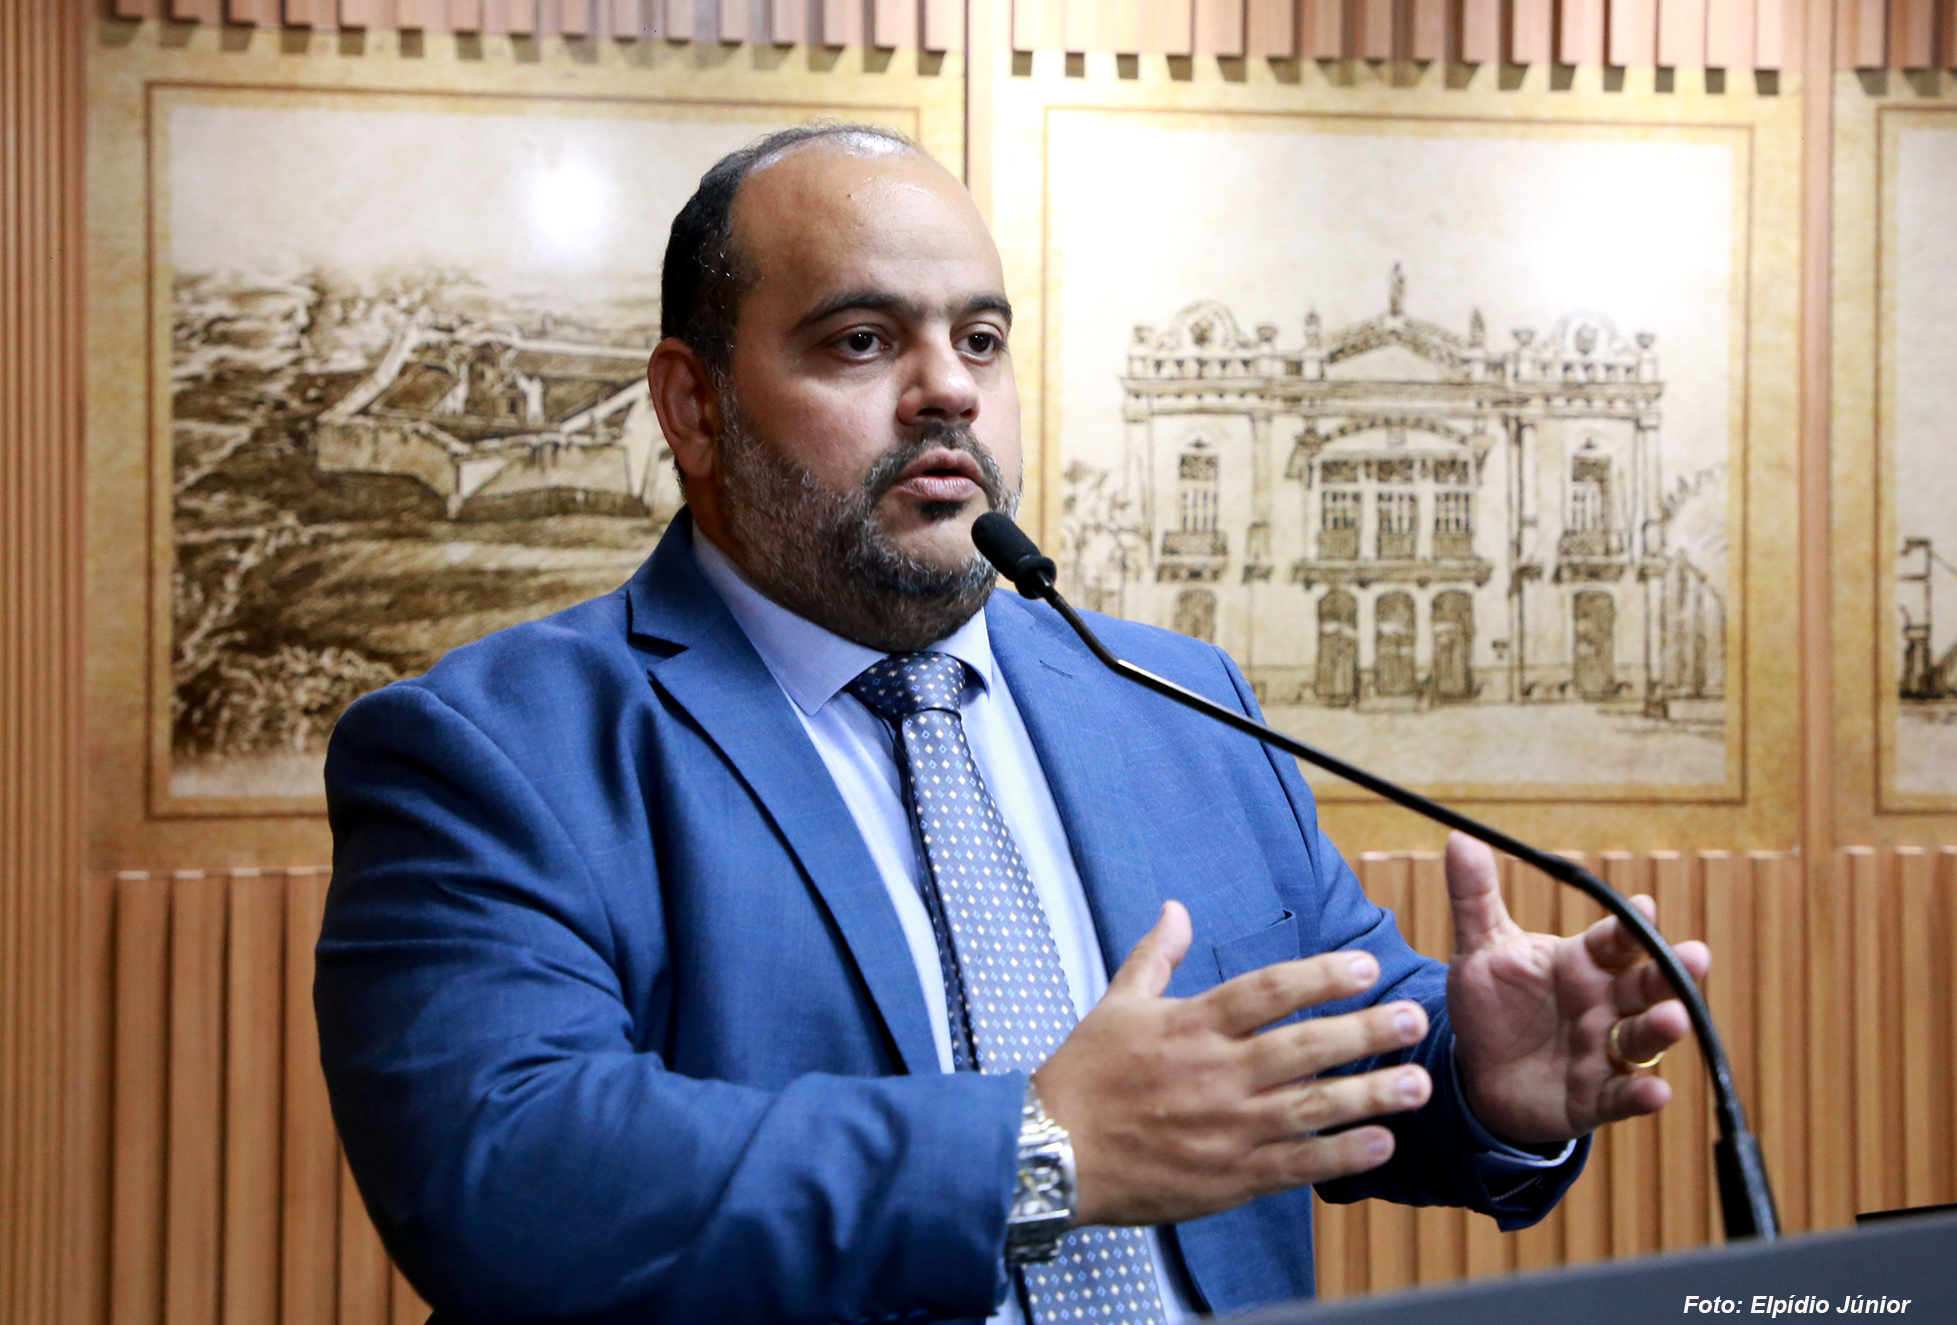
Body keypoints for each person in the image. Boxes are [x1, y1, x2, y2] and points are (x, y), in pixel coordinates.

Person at [316, 123, 1711, 1325]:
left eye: (979, 339)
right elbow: (503, 1175)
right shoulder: (496, 750)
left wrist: (1479, 1077)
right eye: (863, 340)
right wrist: (1030, 1152)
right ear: (695, 405)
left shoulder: (1179, 700)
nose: (950, 390)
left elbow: (1317, 1045)